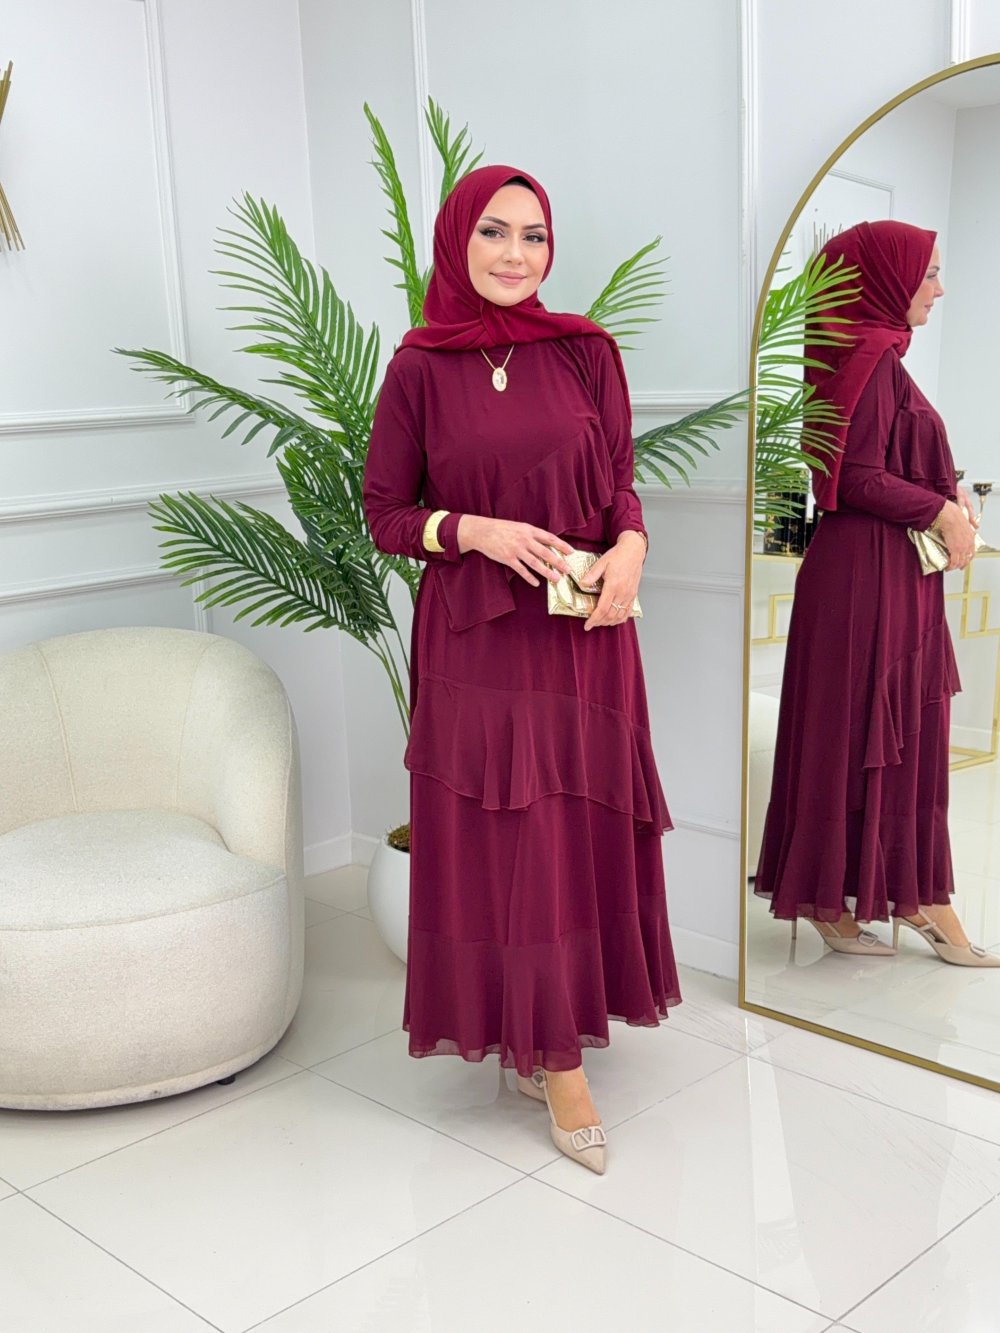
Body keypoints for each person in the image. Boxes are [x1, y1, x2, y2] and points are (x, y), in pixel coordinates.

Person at [363, 164, 680, 1173]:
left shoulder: (585, 349)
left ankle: (553, 1028)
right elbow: (385, 514)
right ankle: (552, 1057)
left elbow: (620, 481)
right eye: (493, 232)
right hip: (480, 635)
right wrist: (475, 530)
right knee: (513, 836)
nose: (514, 253)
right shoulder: (419, 366)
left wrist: (632, 546)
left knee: (569, 829)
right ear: (457, 241)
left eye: (533, 235)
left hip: (585, 629)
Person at [755, 219, 1000, 967]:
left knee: (887, 737)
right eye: (929, 273)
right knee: (867, 737)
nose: (940, 288)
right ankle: (905, 901)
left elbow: (876, 464)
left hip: (883, 572)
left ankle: (879, 897)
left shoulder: (870, 356)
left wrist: (947, 495)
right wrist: (940, 511)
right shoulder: (867, 358)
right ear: (885, 281)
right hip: (866, 578)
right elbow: (853, 480)